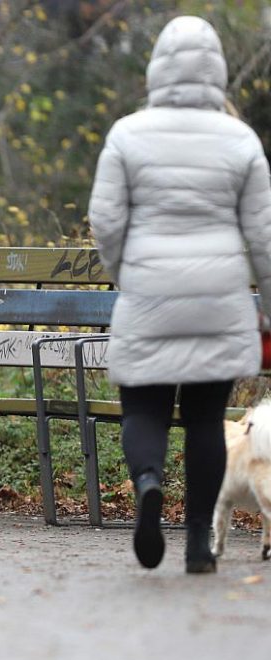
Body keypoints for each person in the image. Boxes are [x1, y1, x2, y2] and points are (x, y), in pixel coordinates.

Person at [88, 15, 271, 574]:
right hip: (218, 299)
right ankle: (198, 543)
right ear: (215, 69)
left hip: (148, 294)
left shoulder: (126, 133)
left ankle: (147, 483)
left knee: (143, 405)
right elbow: (264, 234)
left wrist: (126, 272)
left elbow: (105, 219)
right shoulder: (240, 139)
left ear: (157, 68)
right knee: (204, 418)